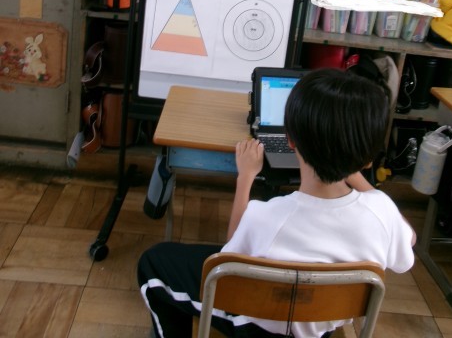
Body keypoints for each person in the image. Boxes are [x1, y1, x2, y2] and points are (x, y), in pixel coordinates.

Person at [138, 68, 416, 338]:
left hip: (256, 326)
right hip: (319, 325)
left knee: (153, 262)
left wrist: (245, 177)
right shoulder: (382, 212)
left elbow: (229, 257)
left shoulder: (266, 216)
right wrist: (356, 175)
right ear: (368, 160)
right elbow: (408, 241)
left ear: (290, 141)